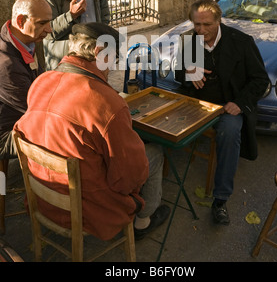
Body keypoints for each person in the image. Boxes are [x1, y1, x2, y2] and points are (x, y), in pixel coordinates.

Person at [14, 22, 170, 241]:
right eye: (112, 60)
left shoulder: (41, 81)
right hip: (88, 212)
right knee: (153, 153)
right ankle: (143, 221)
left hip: (41, 198)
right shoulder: (107, 103)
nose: (111, 68)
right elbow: (127, 178)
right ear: (98, 52)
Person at [175, 0, 269, 225]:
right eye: (197, 24)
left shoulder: (241, 42)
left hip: (228, 107)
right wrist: (189, 72)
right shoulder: (188, 40)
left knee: (228, 133)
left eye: (207, 25)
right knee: (160, 123)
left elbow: (260, 80)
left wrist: (239, 103)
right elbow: (179, 74)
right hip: (198, 106)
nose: (201, 30)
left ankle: (220, 199)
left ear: (219, 21)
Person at [0, 0, 52, 160]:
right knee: (63, 135)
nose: (49, 29)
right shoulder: (7, 64)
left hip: (19, 117)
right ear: (21, 21)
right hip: (5, 134)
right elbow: (36, 109)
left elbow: (41, 84)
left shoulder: (21, 40)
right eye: (42, 23)